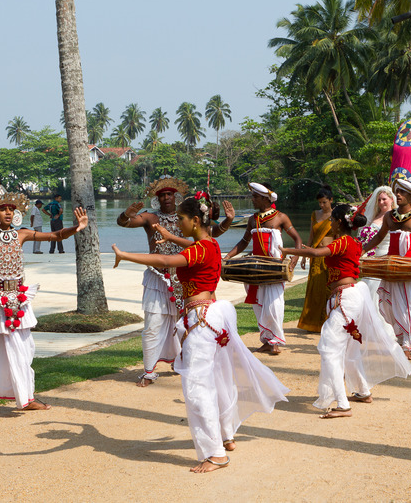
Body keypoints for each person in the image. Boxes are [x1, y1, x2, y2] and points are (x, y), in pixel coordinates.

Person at [112, 193, 289, 473]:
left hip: (201, 320)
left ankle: (216, 454)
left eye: (181, 220)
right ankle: (226, 434)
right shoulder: (210, 244)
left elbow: (165, 261)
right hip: (213, 316)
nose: (177, 224)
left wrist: (125, 254)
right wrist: (167, 235)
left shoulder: (198, 250)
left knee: (197, 388)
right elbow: (187, 245)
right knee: (218, 378)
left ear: (195, 220)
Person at [0, 181, 88, 427]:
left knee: (24, 353)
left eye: (11, 209)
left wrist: (77, 227)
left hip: (18, 302)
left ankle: (26, 398)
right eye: (3, 209)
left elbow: (55, 235)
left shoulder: (22, 234)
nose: (8, 212)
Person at [282, 204, 411, 419]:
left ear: (340, 222)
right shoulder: (353, 242)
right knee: (349, 349)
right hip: (351, 297)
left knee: (329, 348)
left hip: (345, 298)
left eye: (332, 220)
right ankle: (363, 392)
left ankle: (342, 404)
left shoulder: (342, 242)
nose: (330, 223)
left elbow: (316, 252)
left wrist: (288, 250)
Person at [117, 176, 234, 387]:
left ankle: (183, 364)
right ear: (157, 199)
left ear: (176, 196)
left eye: (169, 194)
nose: (166, 198)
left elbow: (207, 235)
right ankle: (150, 371)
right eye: (161, 195)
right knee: (154, 325)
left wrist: (227, 221)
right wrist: (127, 214)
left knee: (183, 325)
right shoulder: (152, 218)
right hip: (158, 276)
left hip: (184, 276)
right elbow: (124, 223)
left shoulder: (189, 221)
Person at [363, 178, 411, 360]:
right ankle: (400, 337)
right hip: (391, 267)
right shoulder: (390, 217)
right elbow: (379, 238)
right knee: (387, 304)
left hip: (409, 268)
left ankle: (409, 344)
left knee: (408, 306)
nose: (398, 195)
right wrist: (362, 249)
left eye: (402, 193)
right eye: (397, 192)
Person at [224, 183, 302, 355]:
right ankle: (267, 341)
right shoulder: (252, 219)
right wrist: (228, 257)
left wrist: (294, 260)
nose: (252, 200)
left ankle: (275, 341)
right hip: (256, 268)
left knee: (274, 305)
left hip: (274, 268)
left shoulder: (281, 217)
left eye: (255, 197)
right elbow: (244, 242)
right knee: (259, 306)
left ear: (266, 198)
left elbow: (297, 239)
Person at [356, 185, 397, 336]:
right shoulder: (374, 216)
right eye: (379, 200)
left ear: (392, 200)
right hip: (372, 258)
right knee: (365, 289)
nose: (381, 202)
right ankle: (367, 328)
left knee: (378, 290)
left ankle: (386, 329)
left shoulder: (395, 216)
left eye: (384, 199)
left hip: (387, 257)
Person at [297, 185, 335, 333]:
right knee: (314, 288)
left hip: (329, 255)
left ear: (331, 200)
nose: (322, 205)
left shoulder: (335, 215)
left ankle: (328, 321)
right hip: (315, 254)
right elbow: (311, 236)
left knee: (328, 288)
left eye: (324, 202)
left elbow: (338, 236)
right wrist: (305, 254)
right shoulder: (315, 214)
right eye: (320, 202)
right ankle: (312, 322)